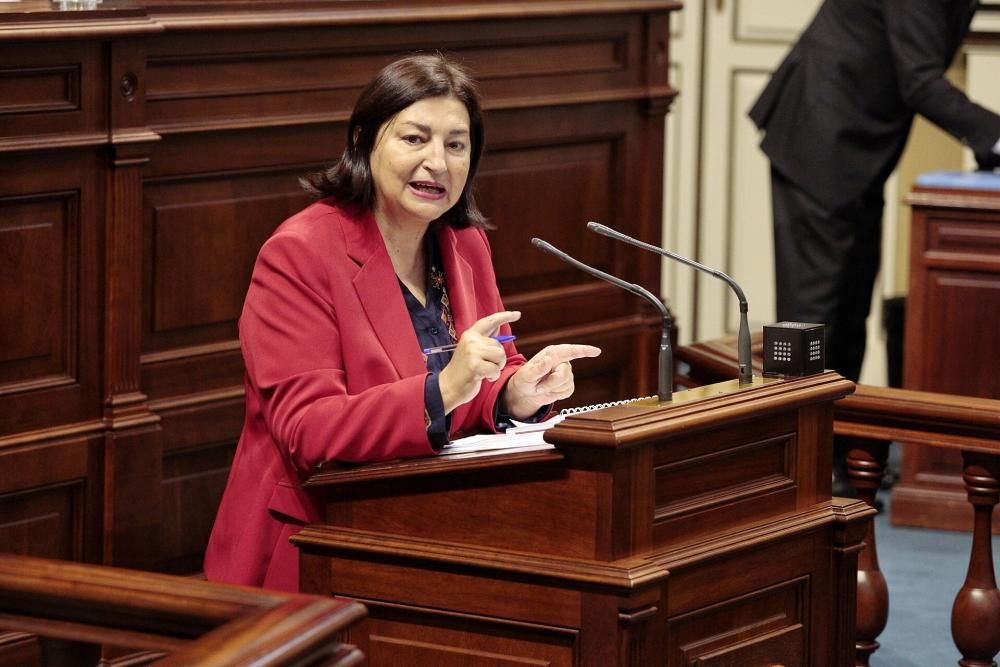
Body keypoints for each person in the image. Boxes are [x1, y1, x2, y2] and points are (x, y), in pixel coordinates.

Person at [204, 54, 601, 591]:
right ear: (366, 142)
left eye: (456, 145)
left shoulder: (465, 245)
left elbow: (489, 369)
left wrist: (515, 393)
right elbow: (307, 431)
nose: (437, 162)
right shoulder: (298, 254)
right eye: (414, 139)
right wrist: (441, 390)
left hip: (439, 529)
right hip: (319, 545)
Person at [750, 0, 1000, 385]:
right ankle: (796, 439)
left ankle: (841, 438)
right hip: (820, 135)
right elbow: (920, 80)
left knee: (851, 312)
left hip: (859, 148)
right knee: (812, 321)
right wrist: (994, 135)